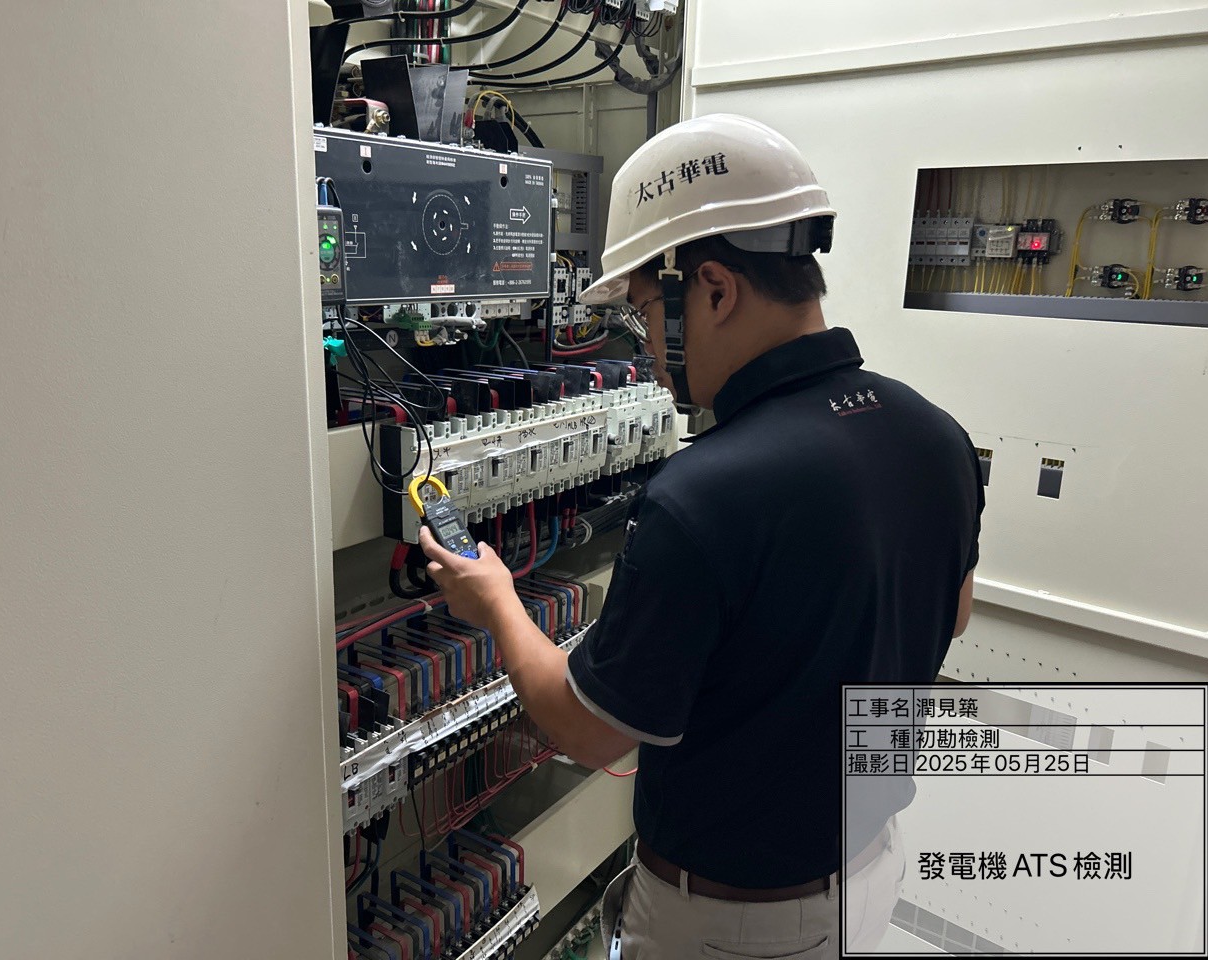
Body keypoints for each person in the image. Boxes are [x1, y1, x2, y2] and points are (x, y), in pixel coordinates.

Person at [420, 113, 984, 959]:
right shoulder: (934, 433)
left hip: (735, 926)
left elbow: (588, 730)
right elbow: (955, 610)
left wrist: (497, 601)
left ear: (714, 289)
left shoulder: (704, 495)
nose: (647, 347)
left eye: (647, 311)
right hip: (869, 873)